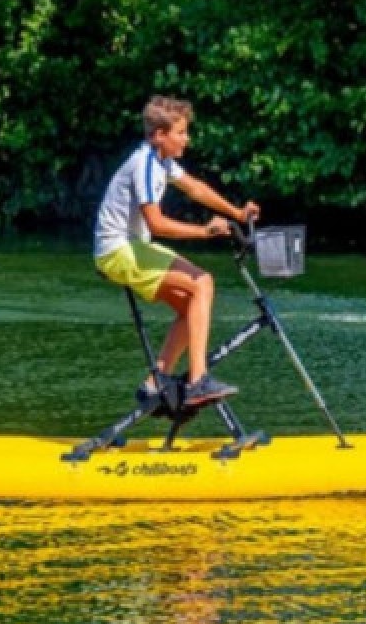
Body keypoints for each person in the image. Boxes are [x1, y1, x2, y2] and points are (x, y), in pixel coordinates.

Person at [93, 95, 260, 406]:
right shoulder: (144, 165)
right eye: (181, 132)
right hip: (118, 249)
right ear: (160, 135)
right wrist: (204, 231)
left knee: (190, 305)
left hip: (132, 246)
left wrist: (237, 214)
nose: (187, 139)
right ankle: (198, 382)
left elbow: (195, 188)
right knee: (203, 283)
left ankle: (155, 383)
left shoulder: (162, 162)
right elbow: (156, 224)